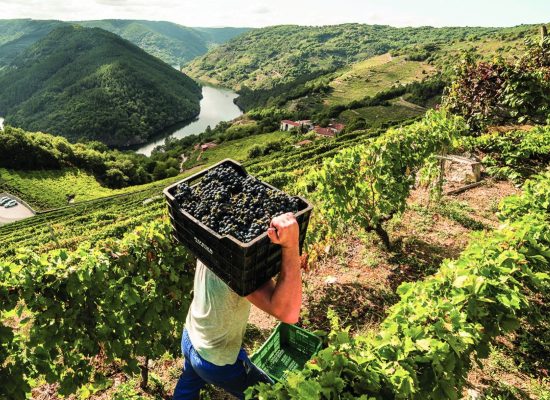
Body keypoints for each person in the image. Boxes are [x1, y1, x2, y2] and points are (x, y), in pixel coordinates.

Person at [173, 212, 303, 399]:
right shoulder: (238, 264)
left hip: (190, 336)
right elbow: (288, 314)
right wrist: (290, 246)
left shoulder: (210, 233)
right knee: (269, 394)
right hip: (213, 360)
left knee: (188, 382)